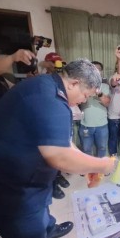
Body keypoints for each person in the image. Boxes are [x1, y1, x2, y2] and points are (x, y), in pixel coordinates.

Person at [0, 59, 116, 238]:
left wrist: (88, 165)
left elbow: (61, 141)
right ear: (74, 83)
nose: (83, 101)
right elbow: (60, 156)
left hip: (25, 179)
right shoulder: (51, 100)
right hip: (8, 187)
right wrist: (103, 165)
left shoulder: (44, 85)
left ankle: (48, 230)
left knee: (43, 208)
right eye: (85, 95)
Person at [40, 52, 71, 199]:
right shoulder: (42, 77)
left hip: (61, 117)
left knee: (62, 149)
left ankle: (58, 176)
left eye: (59, 63)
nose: (56, 66)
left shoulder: (62, 78)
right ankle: (52, 185)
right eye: (54, 63)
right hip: (47, 121)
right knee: (51, 156)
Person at [79, 61, 110, 158]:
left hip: (102, 125)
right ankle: (88, 169)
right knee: (86, 149)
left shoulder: (105, 86)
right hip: (86, 124)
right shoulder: (82, 86)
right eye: (94, 69)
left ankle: (100, 169)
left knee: (102, 148)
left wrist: (98, 92)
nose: (96, 71)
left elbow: (107, 103)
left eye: (99, 69)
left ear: (101, 72)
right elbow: (79, 102)